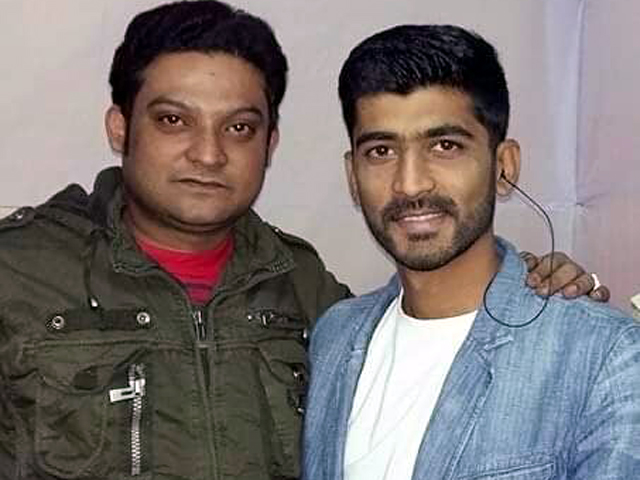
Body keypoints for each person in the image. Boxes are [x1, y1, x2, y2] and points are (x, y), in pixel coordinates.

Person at [0, 2, 606, 479]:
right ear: (119, 127)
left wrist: (531, 283)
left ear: (270, 143)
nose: (208, 153)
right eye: (173, 120)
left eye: (240, 127)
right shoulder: (17, 272)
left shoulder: (308, 292)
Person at [303, 24, 640, 480]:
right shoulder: (334, 335)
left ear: (504, 167)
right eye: (381, 151)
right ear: (352, 176)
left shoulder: (604, 354)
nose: (410, 184)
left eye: (445, 146)